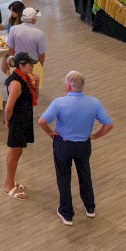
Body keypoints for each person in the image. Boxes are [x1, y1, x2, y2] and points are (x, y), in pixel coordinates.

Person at [37, 71, 114, 226]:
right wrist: (95, 136)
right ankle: (90, 207)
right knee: (85, 174)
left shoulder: (59, 103)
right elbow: (109, 125)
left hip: (63, 145)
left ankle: (66, 213)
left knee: (63, 177)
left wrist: (51, 133)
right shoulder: (94, 102)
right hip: (83, 145)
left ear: (68, 86)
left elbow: (41, 122)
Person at [2, 52, 39, 200]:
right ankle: (9, 185)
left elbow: (34, 99)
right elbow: (8, 108)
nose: (33, 66)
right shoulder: (16, 83)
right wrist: (8, 122)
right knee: (15, 152)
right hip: (17, 121)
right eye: (30, 64)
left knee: (16, 152)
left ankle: (10, 181)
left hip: (23, 119)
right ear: (21, 66)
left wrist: (37, 84)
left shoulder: (25, 79)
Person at [3, 7, 45, 94]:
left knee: (15, 90)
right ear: (34, 19)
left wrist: (11, 65)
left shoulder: (13, 29)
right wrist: (40, 65)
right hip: (33, 65)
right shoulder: (39, 33)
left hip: (17, 64)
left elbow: (10, 49)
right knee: (31, 92)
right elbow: (41, 54)